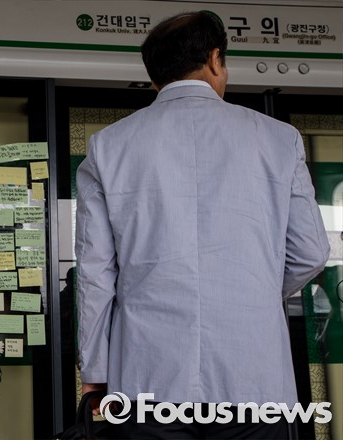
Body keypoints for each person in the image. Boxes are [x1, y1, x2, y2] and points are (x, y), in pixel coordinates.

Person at [75, 11, 330, 439]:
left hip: (148, 376)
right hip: (254, 377)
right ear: (215, 60)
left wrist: (96, 370)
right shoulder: (278, 139)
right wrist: (255, 291)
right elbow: (311, 252)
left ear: (154, 77)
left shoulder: (108, 147)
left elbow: (94, 274)